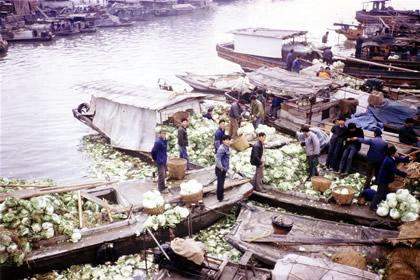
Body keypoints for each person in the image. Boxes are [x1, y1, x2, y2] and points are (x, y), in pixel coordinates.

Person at [369, 145, 411, 210]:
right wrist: (405, 174)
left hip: (386, 179)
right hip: (383, 179)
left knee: (385, 192)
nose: (397, 153)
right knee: (379, 193)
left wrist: (407, 159)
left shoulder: (392, 157)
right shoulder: (389, 161)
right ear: (393, 154)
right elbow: (395, 171)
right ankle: (372, 206)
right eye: (396, 152)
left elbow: (399, 159)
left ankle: (382, 204)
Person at [215, 135, 232, 202]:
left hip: (224, 168)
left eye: (229, 140)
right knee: (220, 184)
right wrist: (221, 167)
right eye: (226, 140)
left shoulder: (226, 147)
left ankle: (220, 194)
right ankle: (220, 198)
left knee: (222, 183)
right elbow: (217, 159)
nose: (228, 141)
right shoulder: (222, 148)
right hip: (221, 169)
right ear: (223, 141)